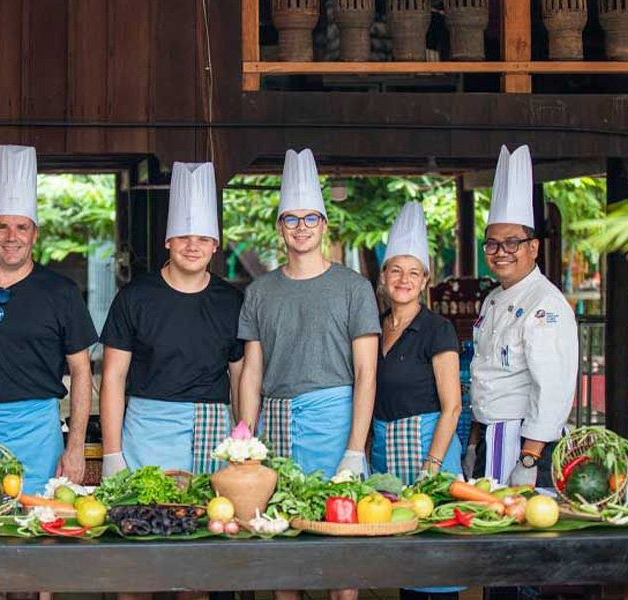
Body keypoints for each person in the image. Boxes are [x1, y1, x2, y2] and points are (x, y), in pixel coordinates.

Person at [238, 148, 381, 600]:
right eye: (291, 219)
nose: (301, 228)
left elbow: (366, 374)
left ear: (324, 224)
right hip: (277, 425)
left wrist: (355, 450)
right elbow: (252, 372)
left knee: (342, 557)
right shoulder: (260, 291)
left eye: (310, 219)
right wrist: (247, 438)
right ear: (279, 227)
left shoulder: (353, 288)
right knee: (286, 554)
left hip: (335, 421)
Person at [0, 145, 97, 495]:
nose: (11, 237)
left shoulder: (62, 292)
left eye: (21, 227)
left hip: (38, 430)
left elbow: (82, 371)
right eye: (2, 227)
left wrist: (75, 448)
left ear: (34, 234)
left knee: (39, 521)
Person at [100, 162, 244, 482]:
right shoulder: (134, 297)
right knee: (148, 521)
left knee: (212, 522)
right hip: (147, 428)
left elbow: (240, 380)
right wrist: (112, 454)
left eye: (203, 239)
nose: (193, 247)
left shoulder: (232, 302)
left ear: (215, 245)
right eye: (184, 237)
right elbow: (112, 377)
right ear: (168, 241)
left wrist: (243, 444)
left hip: (213, 430)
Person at [465, 145, 579, 488]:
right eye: (492, 244)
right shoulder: (493, 299)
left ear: (533, 247)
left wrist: (530, 458)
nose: (501, 253)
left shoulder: (546, 304)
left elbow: (553, 388)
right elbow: (484, 372)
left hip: (525, 443)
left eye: (512, 243)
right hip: (490, 435)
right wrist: (473, 443)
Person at [369, 201, 464, 600]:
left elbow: (453, 406)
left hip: (429, 447)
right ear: (384, 276)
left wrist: (433, 465)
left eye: (413, 273)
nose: (403, 280)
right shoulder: (373, 328)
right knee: (403, 557)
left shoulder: (436, 329)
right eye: (396, 270)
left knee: (436, 557)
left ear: (425, 280)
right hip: (385, 452)